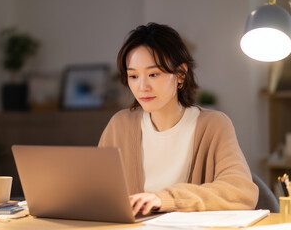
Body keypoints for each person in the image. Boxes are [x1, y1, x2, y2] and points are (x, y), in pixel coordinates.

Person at [98, 22, 258, 216]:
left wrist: (164, 198)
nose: (142, 87)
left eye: (153, 74)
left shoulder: (213, 125)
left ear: (181, 74)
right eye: (133, 76)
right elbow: (96, 191)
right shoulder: (120, 125)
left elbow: (241, 191)